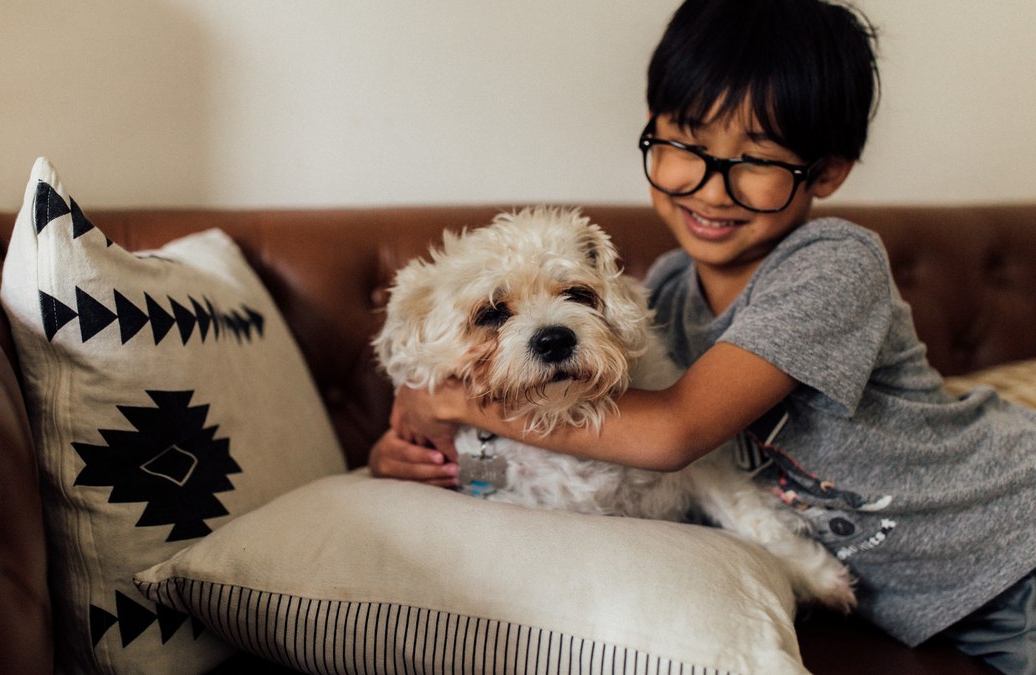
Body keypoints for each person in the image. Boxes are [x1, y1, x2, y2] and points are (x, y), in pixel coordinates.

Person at [366, 0, 1036, 672]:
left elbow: (671, 432)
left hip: (1012, 547)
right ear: (651, 129)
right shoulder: (664, 289)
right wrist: (424, 454)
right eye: (686, 141)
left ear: (827, 170)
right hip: (933, 602)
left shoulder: (834, 261)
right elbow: (577, 437)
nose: (712, 189)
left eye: (756, 157)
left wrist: (450, 402)